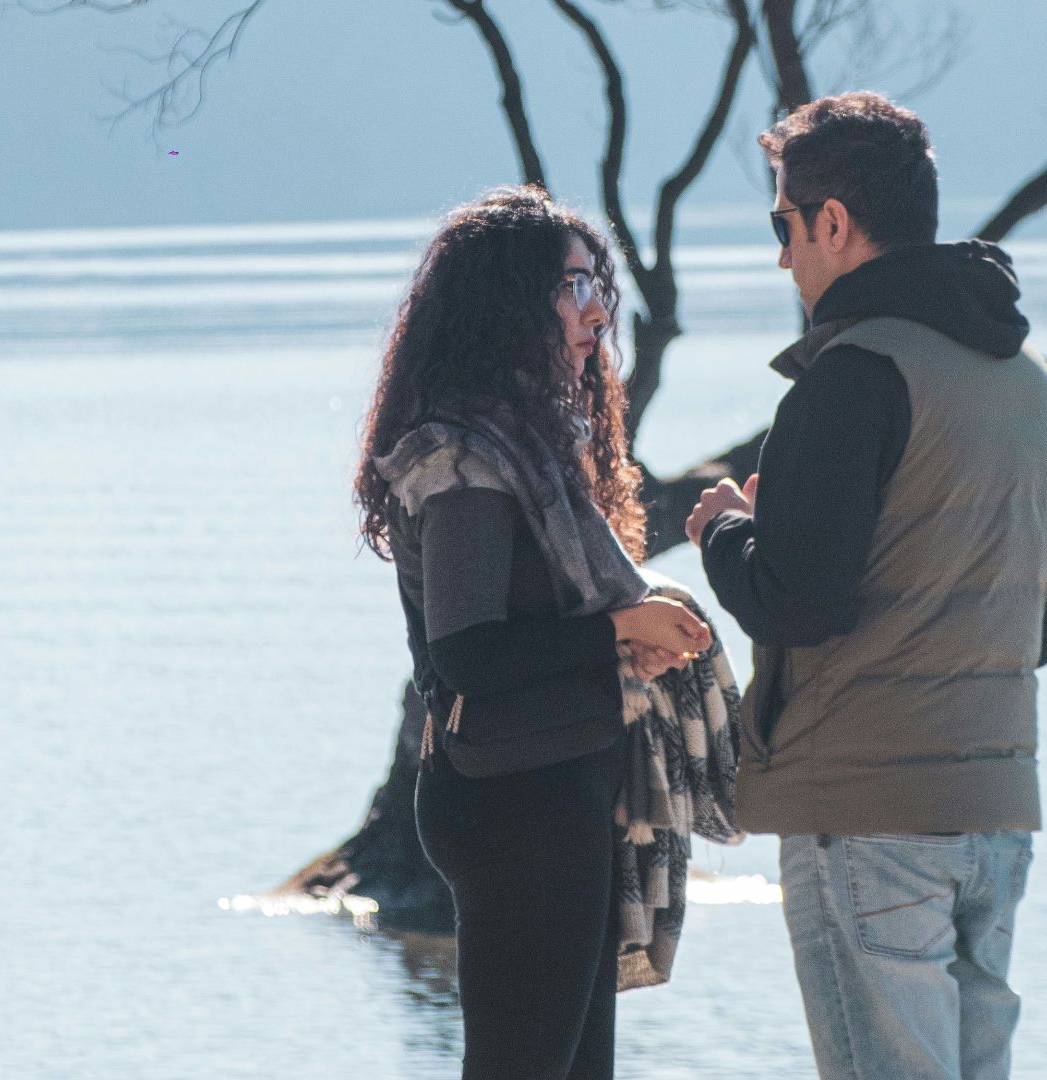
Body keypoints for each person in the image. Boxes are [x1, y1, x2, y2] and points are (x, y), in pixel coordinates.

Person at [685, 92, 1047, 1080]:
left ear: (831, 222)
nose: (783, 257)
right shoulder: (1021, 380)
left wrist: (727, 530)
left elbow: (799, 604)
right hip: (994, 810)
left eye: (783, 224)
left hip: (867, 815)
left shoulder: (851, 374)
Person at [355, 186, 716, 1080]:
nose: (597, 309)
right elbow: (467, 651)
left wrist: (630, 635)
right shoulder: (467, 461)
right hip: (512, 796)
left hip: (559, 782)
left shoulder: (538, 443)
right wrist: (618, 631)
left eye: (598, 283)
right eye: (571, 286)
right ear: (504, 302)